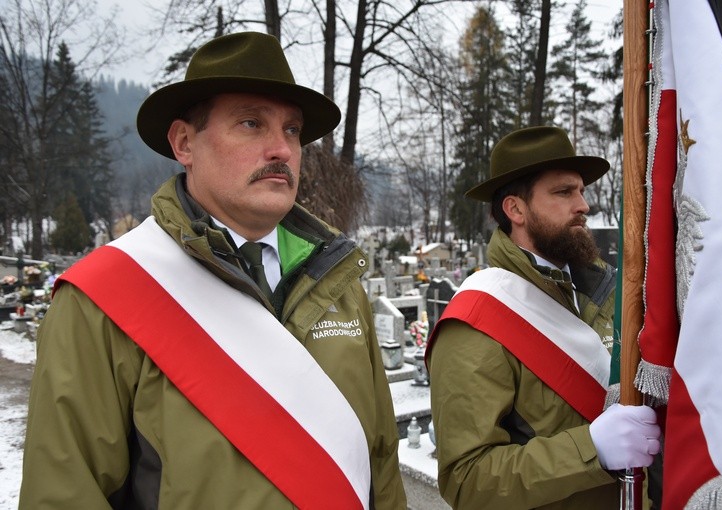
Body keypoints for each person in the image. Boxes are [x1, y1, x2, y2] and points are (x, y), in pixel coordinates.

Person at [20, 32, 406, 509]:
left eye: (291, 130)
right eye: (251, 123)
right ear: (184, 142)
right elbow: (64, 494)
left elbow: (381, 466)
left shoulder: (340, 283)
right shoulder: (101, 301)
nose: (282, 149)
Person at [426, 126, 661, 509]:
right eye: (563, 192)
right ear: (516, 209)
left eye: (581, 191)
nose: (583, 205)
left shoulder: (608, 291)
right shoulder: (476, 319)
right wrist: (590, 450)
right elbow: (466, 480)